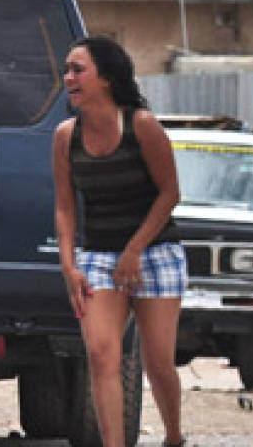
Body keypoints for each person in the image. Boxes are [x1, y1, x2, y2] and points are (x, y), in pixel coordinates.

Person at [52, 36, 186, 447]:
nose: (68, 77)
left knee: (158, 361)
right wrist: (68, 264)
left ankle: (174, 436)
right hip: (98, 256)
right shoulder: (65, 136)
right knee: (101, 353)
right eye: (67, 69)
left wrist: (134, 250)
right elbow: (65, 207)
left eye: (78, 69)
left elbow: (170, 193)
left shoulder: (141, 125)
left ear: (107, 78)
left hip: (154, 251)